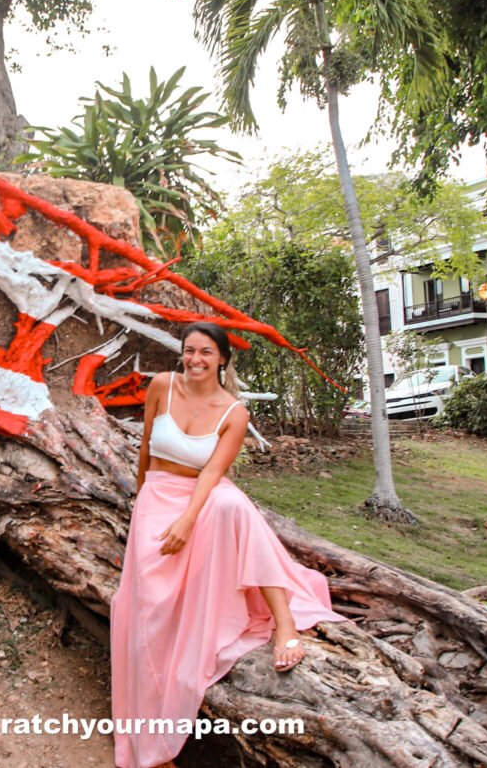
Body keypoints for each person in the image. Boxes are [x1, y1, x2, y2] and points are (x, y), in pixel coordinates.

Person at [110, 322, 345, 768]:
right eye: (189, 351)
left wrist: (187, 518)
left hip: (200, 497)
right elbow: (145, 447)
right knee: (148, 607)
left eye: (205, 353)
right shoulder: (163, 385)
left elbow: (213, 474)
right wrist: (141, 504)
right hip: (157, 495)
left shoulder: (233, 412)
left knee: (233, 507)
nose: (195, 360)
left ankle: (284, 622)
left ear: (222, 359)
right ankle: (151, 739)